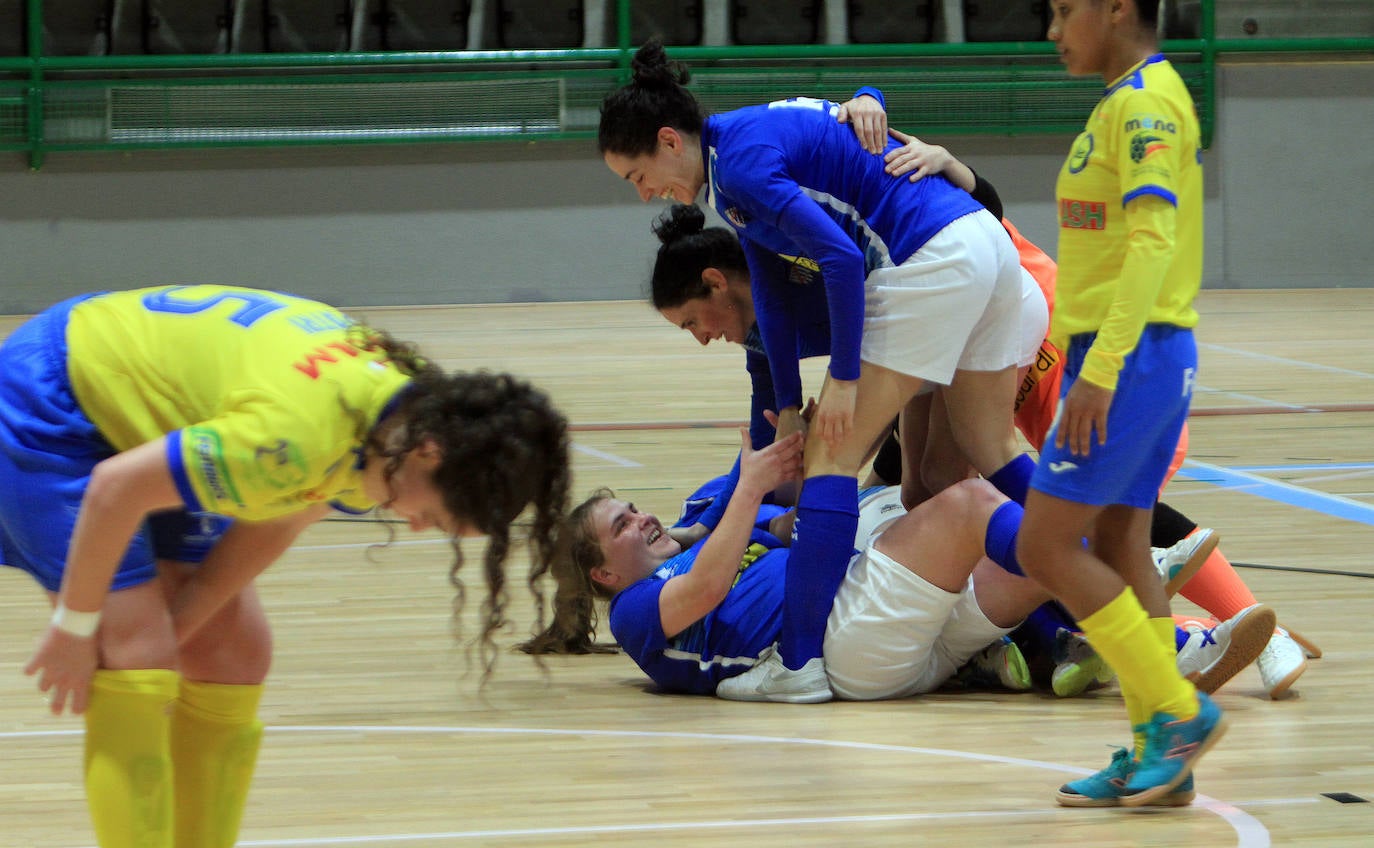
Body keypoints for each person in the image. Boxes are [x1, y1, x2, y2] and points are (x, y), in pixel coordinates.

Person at [1, 284, 570, 848]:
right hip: (51, 398)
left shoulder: (402, 425)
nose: (418, 527)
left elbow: (278, 520)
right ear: (429, 454)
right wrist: (76, 629)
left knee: (235, 654)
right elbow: (115, 489)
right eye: (436, 517)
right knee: (135, 653)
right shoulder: (294, 442)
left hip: (146, 410)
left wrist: (177, 631)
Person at [598, 40, 1047, 523]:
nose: (645, 194)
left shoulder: (737, 166)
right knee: (969, 459)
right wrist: (790, 404)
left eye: (637, 176)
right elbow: (770, 291)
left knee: (829, 457)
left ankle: (810, 575)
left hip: (930, 257)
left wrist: (845, 381)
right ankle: (1077, 547)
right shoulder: (731, 156)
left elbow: (842, 259)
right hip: (981, 244)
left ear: (669, 141)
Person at [1014, 0, 1222, 808]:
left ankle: (1177, 711)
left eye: (1066, 10)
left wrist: (1099, 369)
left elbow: (1152, 241)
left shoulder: (1145, 104)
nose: (1053, 30)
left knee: (1043, 546)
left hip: (1127, 358)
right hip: (1129, 356)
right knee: (1122, 543)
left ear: (1117, 8)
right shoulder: (1122, 101)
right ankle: (1153, 750)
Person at [525, 430, 1076, 715]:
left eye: (634, 508)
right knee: (971, 504)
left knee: (1047, 554)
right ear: (603, 574)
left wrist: (815, 448)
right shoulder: (633, 611)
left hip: (895, 637)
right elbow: (707, 588)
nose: (642, 517)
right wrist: (747, 487)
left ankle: (1110, 625)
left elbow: (801, 524)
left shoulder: (705, 539)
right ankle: (1105, 594)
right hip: (846, 640)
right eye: (622, 524)